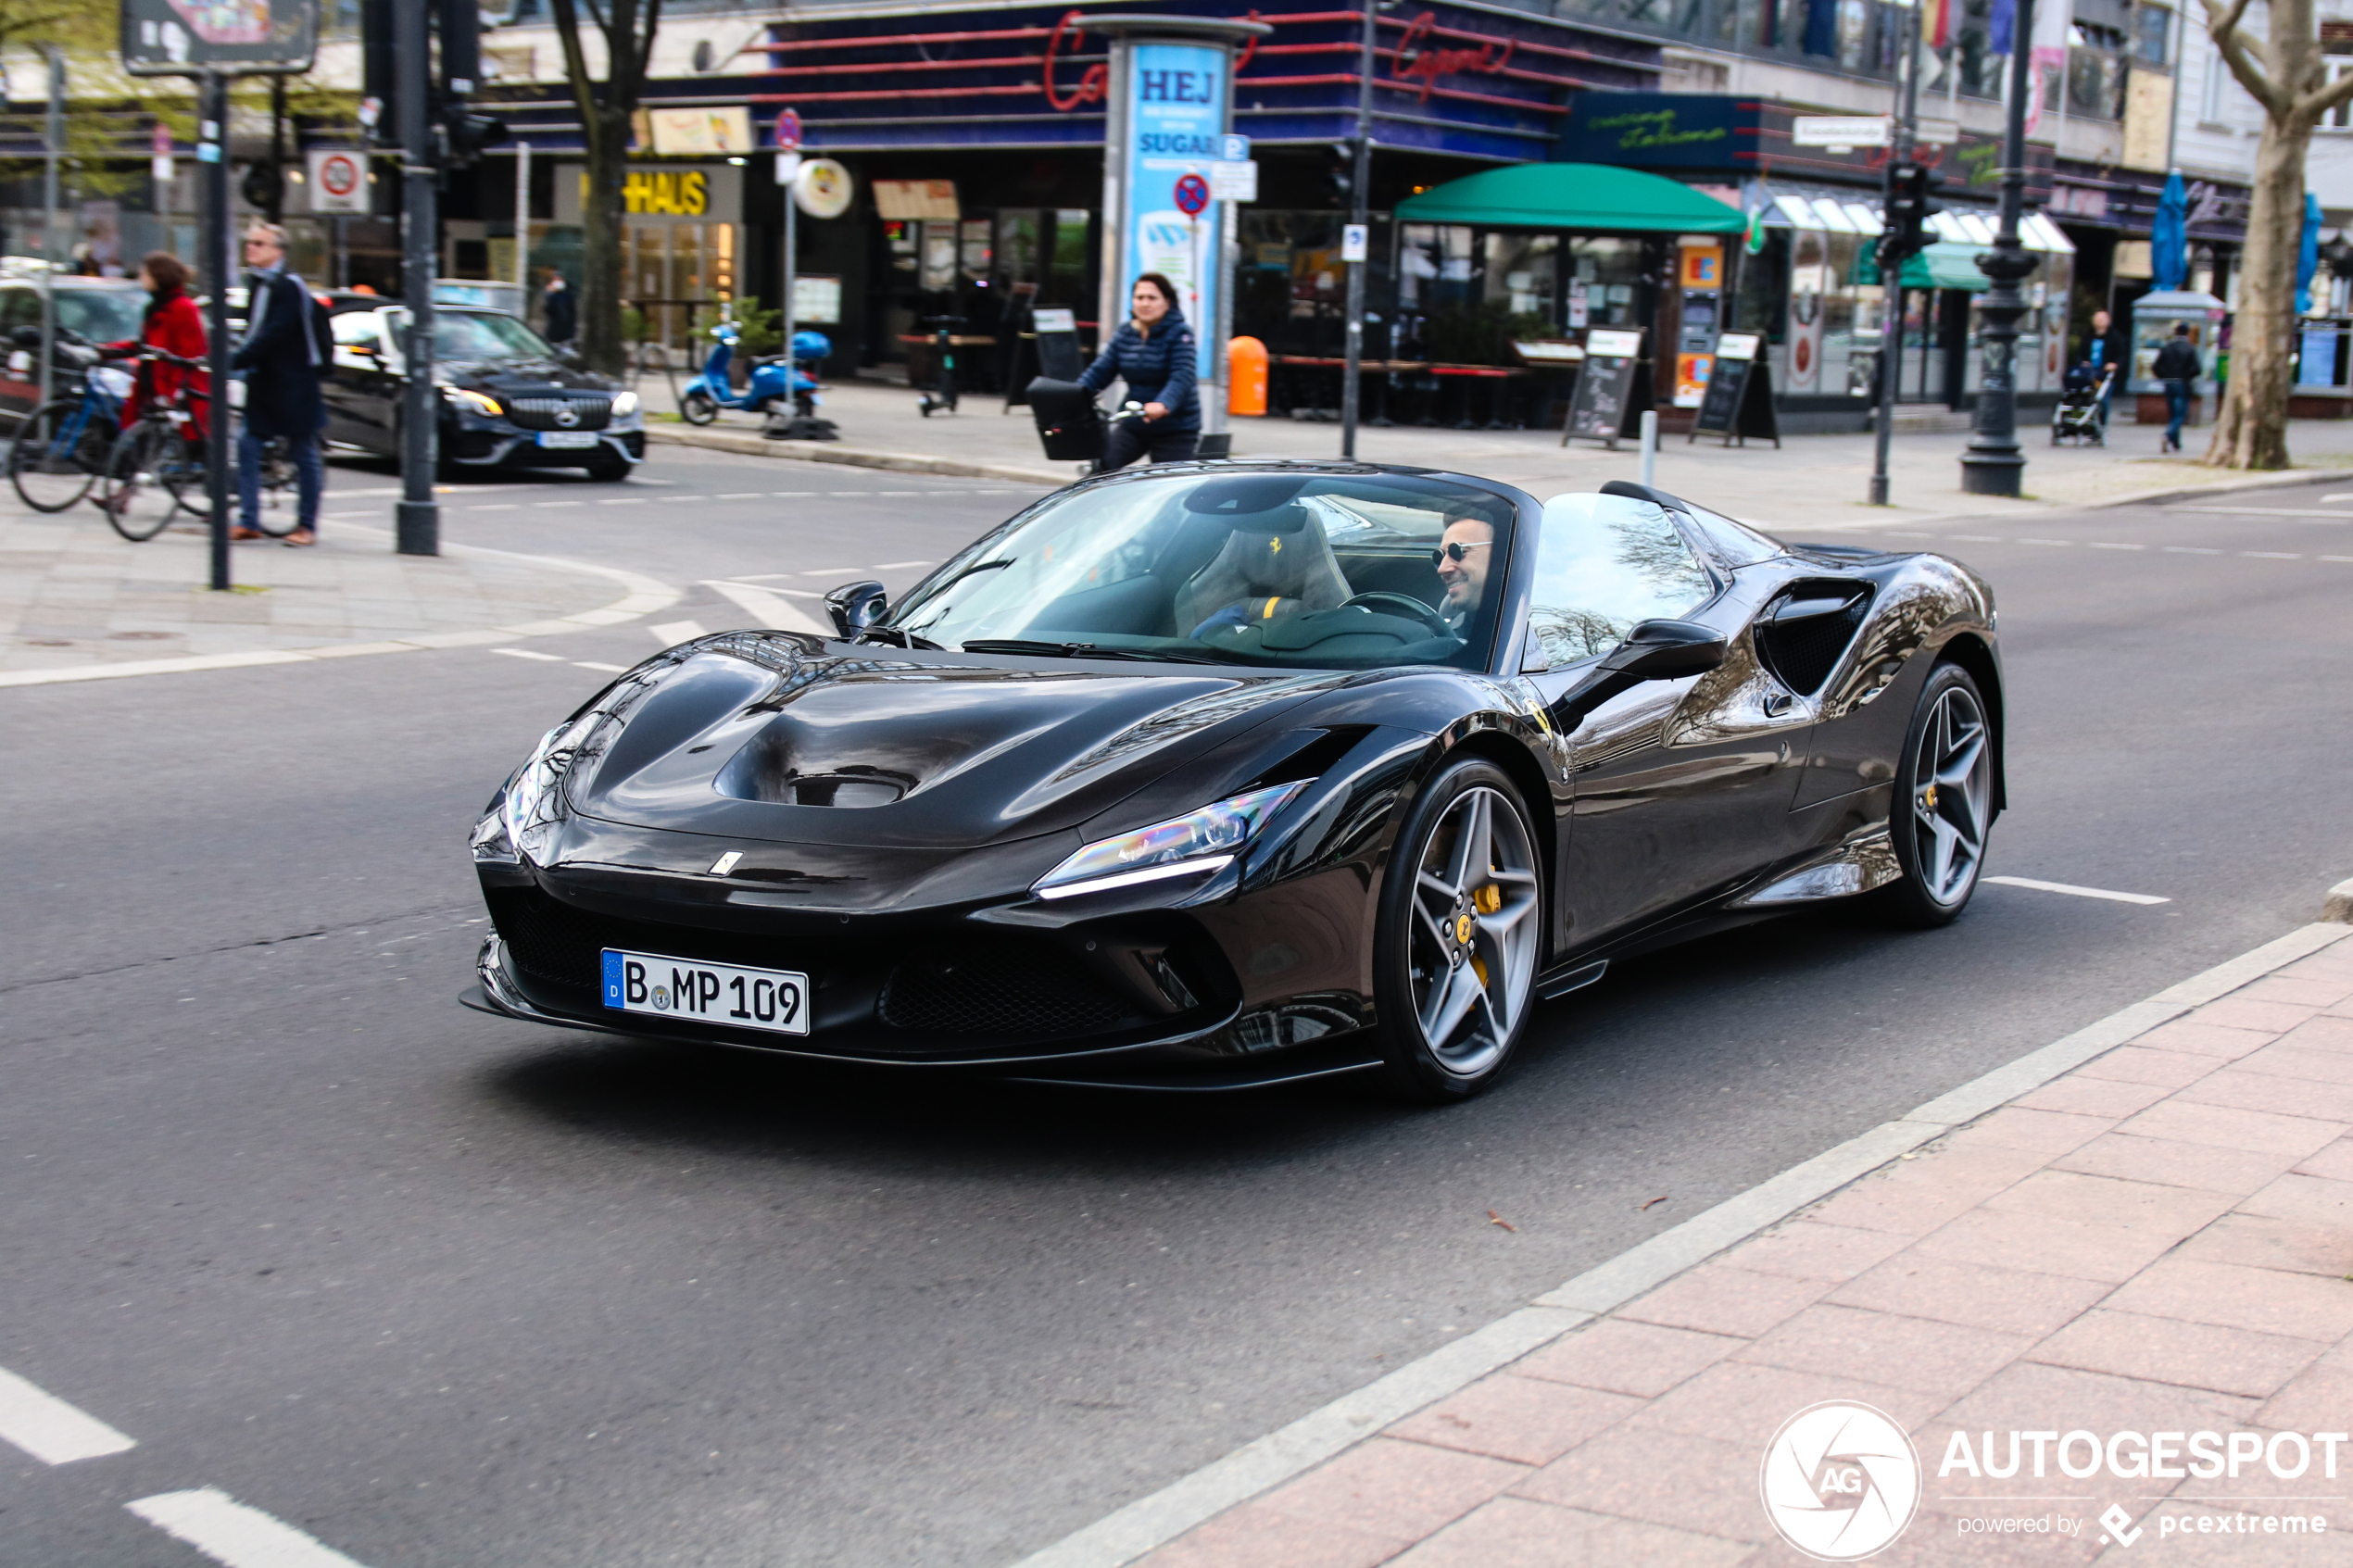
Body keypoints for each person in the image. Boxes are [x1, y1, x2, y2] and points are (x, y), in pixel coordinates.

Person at [230, 222, 329, 546]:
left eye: (259, 243)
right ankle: (249, 520)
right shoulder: (259, 283)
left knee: (303, 453)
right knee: (247, 444)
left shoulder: (288, 287)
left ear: (278, 251)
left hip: (294, 383)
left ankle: (307, 526)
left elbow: (274, 333)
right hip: (266, 382)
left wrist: (238, 359)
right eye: (249, 242)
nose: (251, 248)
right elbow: (255, 330)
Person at [1077, 273, 1199, 470]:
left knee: (1171, 484)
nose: (1145, 303)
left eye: (1152, 298)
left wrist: (1163, 404)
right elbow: (1100, 371)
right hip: (1135, 423)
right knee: (1102, 468)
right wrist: (1074, 396)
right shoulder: (1126, 333)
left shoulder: (1180, 333)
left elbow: (1182, 375)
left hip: (1174, 428)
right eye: (1139, 297)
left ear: (1167, 302)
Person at [97, 251, 209, 442]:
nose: (141, 278)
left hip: (170, 390)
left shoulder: (183, 308)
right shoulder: (155, 307)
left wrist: (172, 393)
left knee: (176, 444)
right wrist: (106, 350)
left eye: (145, 274)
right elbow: (143, 343)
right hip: (152, 386)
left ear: (159, 276)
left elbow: (189, 356)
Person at [1433, 511, 1496, 633]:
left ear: (1501, 554)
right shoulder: (1451, 634)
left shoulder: (1536, 629)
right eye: (1439, 557)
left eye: (1458, 551)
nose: (1442, 569)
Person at [2154, 321, 2200, 454]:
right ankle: (2167, 435)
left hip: (2169, 383)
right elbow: (2197, 369)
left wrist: (2164, 375)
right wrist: (2187, 376)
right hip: (2182, 384)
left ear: (2175, 332)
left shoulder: (2167, 347)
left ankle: (2176, 443)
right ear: (2187, 333)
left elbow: (2156, 367)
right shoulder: (2190, 348)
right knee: (2180, 415)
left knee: (2173, 413)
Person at [2086, 308, 2115, 416]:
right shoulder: (2089, 336)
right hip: (2090, 371)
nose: (2098, 322)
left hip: (2105, 373)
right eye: (2096, 320)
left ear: (2107, 321)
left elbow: (2120, 355)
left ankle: (2102, 423)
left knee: (2103, 399)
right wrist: (2084, 361)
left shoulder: (2114, 337)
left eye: (2101, 320)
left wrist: (2114, 365)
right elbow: (2082, 351)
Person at [542, 270, 577, 346]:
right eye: (554, 280)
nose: (557, 282)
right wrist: (548, 295)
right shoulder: (550, 294)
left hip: (566, 331)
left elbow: (570, 313)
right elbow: (547, 310)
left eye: (558, 279)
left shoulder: (568, 294)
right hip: (553, 330)